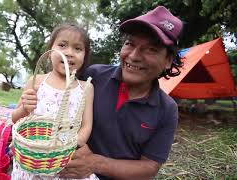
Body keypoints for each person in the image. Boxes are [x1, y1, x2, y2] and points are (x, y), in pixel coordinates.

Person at [59, 6, 184, 179]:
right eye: (130, 44)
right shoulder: (93, 76)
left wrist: (95, 163)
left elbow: (149, 167)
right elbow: (59, 106)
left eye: (151, 49)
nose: (133, 56)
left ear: (168, 60)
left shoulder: (167, 109)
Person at [11, 24, 97, 180]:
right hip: (34, 158)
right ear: (50, 50)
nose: (69, 53)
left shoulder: (86, 88)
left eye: (77, 49)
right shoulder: (36, 81)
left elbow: (86, 125)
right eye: (62, 45)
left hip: (64, 160)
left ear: (85, 56)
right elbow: (15, 119)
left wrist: (72, 144)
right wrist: (24, 109)